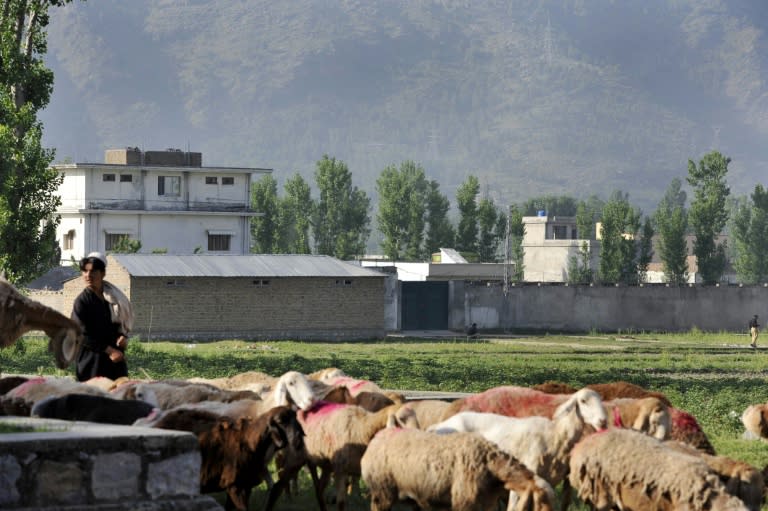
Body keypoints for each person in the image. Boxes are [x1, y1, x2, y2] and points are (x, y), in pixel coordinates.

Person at [71, 252, 134, 381]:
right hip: (91, 363)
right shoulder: (82, 301)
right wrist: (110, 351)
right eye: (85, 271)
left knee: (118, 395)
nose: (88, 275)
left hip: (115, 362)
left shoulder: (112, 298)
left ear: (103, 273)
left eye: (93, 271)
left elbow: (117, 324)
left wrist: (123, 337)